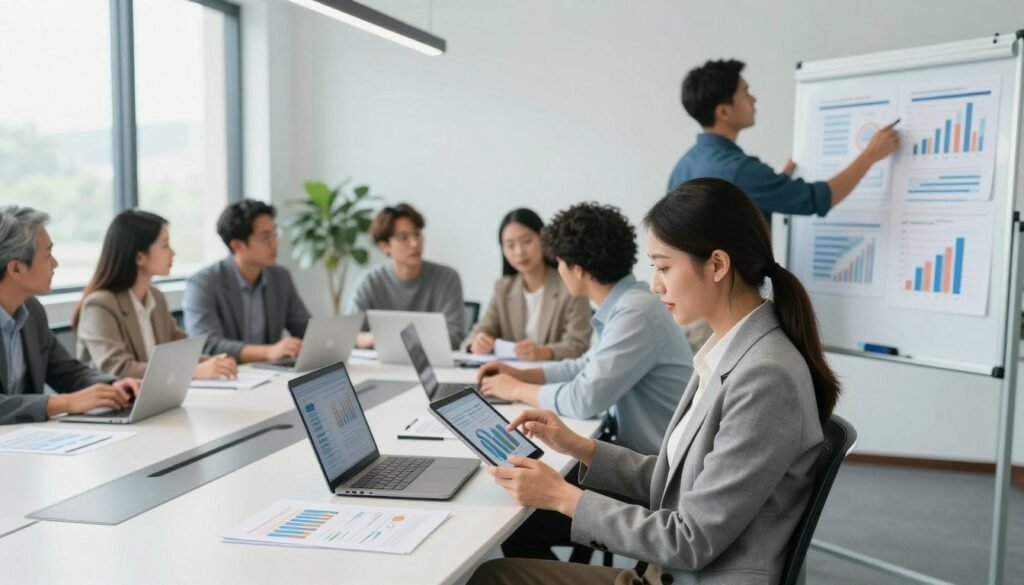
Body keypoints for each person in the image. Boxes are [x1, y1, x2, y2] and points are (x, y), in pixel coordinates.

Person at [468, 178, 835, 585]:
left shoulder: (765, 375)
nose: (656, 284)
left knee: (494, 577)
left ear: (717, 264)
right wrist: (581, 447)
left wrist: (562, 496)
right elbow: (675, 479)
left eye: (663, 267)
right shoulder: (731, 349)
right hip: (672, 569)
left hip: (692, 572)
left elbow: (690, 539)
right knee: (495, 572)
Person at [477, 202, 692, 455]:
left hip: (653, 469)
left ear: (577, 270)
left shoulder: (635, 313)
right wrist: (519, 374)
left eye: (558, 262)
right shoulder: (628, 304)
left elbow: (584, 399)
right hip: (637, 457)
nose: (557, 269)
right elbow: (583, 367)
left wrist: (514, 389)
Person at [668, 59, 900, 217]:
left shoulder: (683, 166)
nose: (753, 99)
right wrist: (871, 154)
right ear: (724, 112)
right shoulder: (742, 172)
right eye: (745, 92)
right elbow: (817, 200)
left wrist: (776, 182)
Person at [0, 206, 141, 425]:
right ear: (16, 269)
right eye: (48, 255)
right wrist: (62, 403)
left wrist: (113, 386)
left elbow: (67, 372)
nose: (55, 264)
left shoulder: (32, 311)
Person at [73, 209, 238, 380]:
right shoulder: (100, 305)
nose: (172, 253)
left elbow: (180, 348)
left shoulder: (155, 297)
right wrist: (194, 371)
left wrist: (215, 362)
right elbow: (119, 368)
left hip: (153, 399)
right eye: (165, 245)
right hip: (115, 404)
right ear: (139, 257)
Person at [183, 200, 311, 363]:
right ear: (237, 245)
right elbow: (209, 344)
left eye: (274, 233)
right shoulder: (203, 283)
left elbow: (304, 327)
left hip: (271, 373)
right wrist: (268, 351)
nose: (274, 243)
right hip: (229, 377)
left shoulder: (280, 276)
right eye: (265, 237)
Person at [468, 208, 591, 361]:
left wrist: (543, 352)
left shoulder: (571, 285)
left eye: (527, 241)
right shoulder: (503, 288)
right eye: (510, 245)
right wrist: (478, 341)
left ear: (543, 240)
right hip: (511, 376)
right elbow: (480, 330)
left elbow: (578, 344)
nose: (519, 252)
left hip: (558, 378)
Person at [350, 203, 465, 349]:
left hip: (434, 365)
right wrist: (372, 338)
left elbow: (454, 336)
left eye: (417, 233)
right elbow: (351, 335)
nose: (415, 243)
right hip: (382, 366)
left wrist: (389, 339)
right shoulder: (369, 281)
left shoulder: (447, 278)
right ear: (384, 246)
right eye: (403, 237)